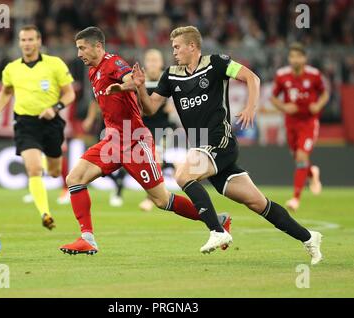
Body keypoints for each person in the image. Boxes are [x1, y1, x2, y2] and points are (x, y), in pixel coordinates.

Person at [131, 26, 323, 264]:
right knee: (257, 203)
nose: (174, 51)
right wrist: (140, 87)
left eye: (177, 46)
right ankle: (309, 237)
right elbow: (150, 108)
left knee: (182, 174)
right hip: (202, 148)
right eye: (172, 47)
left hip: (220, 141)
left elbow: (252, 77)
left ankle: (218, 230)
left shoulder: (217, 64)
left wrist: (251, 106)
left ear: (192, 46)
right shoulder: (170, 75)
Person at [59, 26, 232, 256]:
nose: (79, 53)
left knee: (161, 200)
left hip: (134, 140)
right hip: (112, 140)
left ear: (98, 47)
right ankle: (87, 238)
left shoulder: (114, 63)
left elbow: (132, 79)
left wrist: (124, 85)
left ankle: (218, 221)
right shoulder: (93, 71)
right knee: (74, 178)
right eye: (77, 48)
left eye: (82, 48)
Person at [0, 25, 76, 230]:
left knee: (54, 172)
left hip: (51, 122)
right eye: (23, 40)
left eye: (30, 40)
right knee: (34, 169)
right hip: (25, 123)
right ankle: (45, 214)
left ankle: (45, 161)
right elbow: (6, 92)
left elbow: (69, 94)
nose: (26, 44)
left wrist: (55, 108)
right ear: (19, 43)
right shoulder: (11, 69)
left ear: (39, 41)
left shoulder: (54, 64)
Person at [270, 42, 329, 212]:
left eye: (298, 56)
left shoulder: (314, 75)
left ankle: (295, 198)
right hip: (291, 122)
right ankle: (312, 172)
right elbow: (273, 97)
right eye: (292, 56)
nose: (295, 59)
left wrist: (318, 105)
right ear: (289, 58)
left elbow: (325, 93)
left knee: (302, 157)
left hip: (309, 122)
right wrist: (284, 107)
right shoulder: (282, 75)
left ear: (304, 58)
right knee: (298, 158)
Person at [138, 48, 179, 212]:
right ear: (145, 64)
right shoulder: (140, 81)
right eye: (150, 60)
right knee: (147, 163)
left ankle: (149, 199)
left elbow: (174, 104)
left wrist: (171, 105)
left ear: (162, 63)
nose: (153, 63)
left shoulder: (168, 79)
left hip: (164, 127)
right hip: (143, 128)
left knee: (156, 160)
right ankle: (172, 166)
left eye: (156, 60)